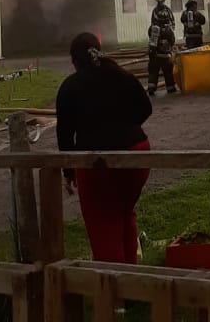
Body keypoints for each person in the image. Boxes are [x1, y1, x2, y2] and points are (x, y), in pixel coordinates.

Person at [56, 32, 152, 263]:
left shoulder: (70, 87)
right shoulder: (122, 75)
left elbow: (65, 135)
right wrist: (125, 128)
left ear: (74, 61)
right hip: (138, 153)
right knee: (124, 211)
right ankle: (131, 283)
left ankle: (112, 288)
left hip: (97, 164)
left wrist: (69, 171)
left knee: (103, 222)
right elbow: (145, 108)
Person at [147, 13, 178, 95]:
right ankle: (170, 88)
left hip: (154, 55)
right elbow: (172, 41)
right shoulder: (168, 29)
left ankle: (151, 87)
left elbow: (149, 36)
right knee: (168, 72)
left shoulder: (152, 28)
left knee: (153, 72)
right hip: (165, 56)